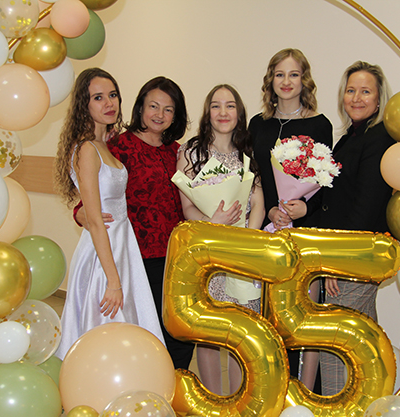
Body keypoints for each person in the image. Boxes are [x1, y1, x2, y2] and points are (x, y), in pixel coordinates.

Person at [284, 60, 396, 395]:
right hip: (342, 257)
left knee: (338, 347)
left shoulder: (378, 139)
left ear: (379, 98)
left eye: (365, 91)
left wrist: (336, 263)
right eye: (351, 90)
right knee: (360, 344)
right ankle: (363, 410)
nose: (356, 98)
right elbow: (333, 197)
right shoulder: (349, 137)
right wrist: (304, 208)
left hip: (353, 260)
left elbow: (365, 208)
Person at [75, 76, 195, 369]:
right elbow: (95, 197)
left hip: (177, 256)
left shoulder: (178, 151)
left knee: (182, 332)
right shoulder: (118, 146)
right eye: (153, 106)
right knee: (148, 332)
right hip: (139, 257)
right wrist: (80, 213)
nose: (159, 114)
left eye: (168, 109)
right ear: (140, 107)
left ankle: (175, 385)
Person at [53, 68, 165, 359]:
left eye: (112, 95)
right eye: (98, 97)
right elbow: (93, 219)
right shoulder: (87, 149)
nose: (109, 103)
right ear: (84, 105)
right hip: (103, 252)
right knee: (107, 330)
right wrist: (113, 281)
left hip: (122, 245)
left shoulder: (104, 144)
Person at [249, 48, 333, 391]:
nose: (286, 81)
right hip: (267, 227)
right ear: (270, 80)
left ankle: (303, 390)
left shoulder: (320, 124)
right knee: (267, 314)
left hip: (303, 231)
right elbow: (255, 178)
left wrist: (305, 209)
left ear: (304, 80)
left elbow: (327, 181)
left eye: (294, 74)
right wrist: (270, 209)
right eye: (279, 74)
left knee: (302, 313)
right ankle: (270, 386)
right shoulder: (257, 124)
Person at [176, 84, 264, 394]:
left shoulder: (246, 152)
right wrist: (213, 224)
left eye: (230, 106)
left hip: (242, 255)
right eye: (216, 105)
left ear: (239, 113)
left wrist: (246, 240)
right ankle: (216, 401)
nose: (223, 112)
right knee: (210, 333)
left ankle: (239, 401)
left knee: (241, 331)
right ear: (207, 112)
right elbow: (187, 207)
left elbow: (258, 201)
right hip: (209, 252)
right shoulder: (191, 152)